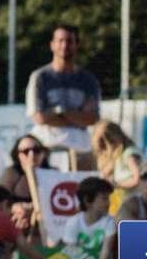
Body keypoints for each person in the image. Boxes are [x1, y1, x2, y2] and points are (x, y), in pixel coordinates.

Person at [25, 24, 100, 168]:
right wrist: (77, 115)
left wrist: (59, 112)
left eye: (69, 41)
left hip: (80, 149)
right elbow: (39, 117)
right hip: (47, 149)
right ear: (52, 45)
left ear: (77, 45)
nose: (64, 45)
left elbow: (92, 118)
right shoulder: (40, 77)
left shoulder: (89, 80)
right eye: (60, 40)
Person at [53, 176, 115, 259]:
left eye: (108, 198)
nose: (108, 203)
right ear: (87, 201)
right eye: (104, 198)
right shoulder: (73, 222)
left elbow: (106, 252)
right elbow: (69, 253)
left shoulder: (109, 222)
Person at [1, 133, 51, 236]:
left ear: (43, 153)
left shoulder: (53, 174)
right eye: (26, 151)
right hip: (19, 229)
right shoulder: (11, 174)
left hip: (49, 229)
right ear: (18, 155)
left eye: (36, 150)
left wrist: (34, 208)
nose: (31, 155)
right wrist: (15, 208)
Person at [91, 120, 141, 193]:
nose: (105, 151)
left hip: (132, 198)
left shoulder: (129, 154)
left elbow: (138, 179)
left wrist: (117, 185)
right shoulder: (116, 155)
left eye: (105, 145)